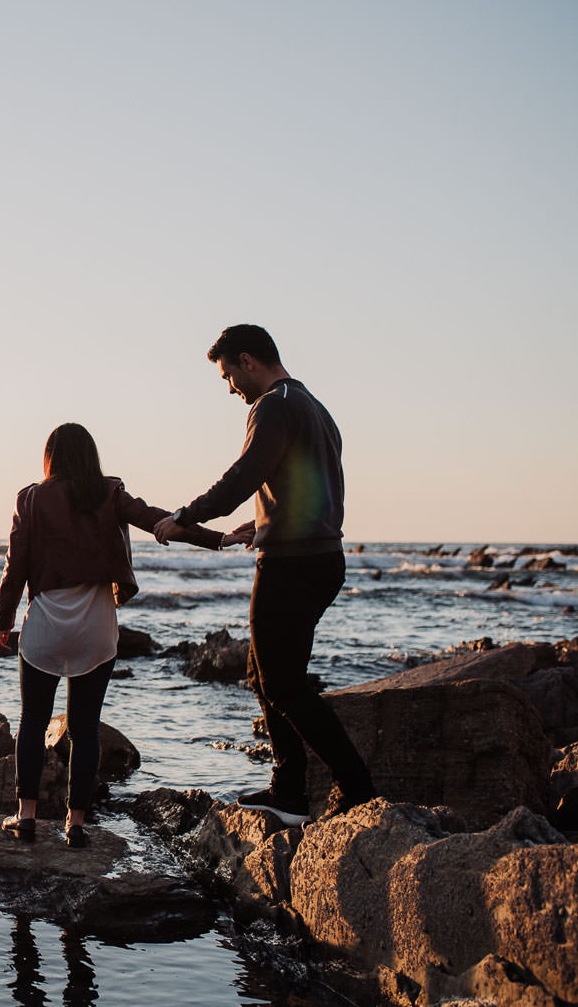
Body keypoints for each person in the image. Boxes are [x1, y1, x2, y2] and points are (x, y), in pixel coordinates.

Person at [154, 324, 377, 826]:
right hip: (318, 557)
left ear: (248, 360)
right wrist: (264, 522)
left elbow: (243, 475)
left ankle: (353, 785)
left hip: (292, 565)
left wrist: (185, 516)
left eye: (229, 375)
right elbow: (308, 482)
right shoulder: (313, 406)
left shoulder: (272, 405)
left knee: (281, 682)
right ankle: (289, 788)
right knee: (266, 675)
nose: (230, 388)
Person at [0, 423, 230, 847]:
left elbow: (15, 564)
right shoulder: (109, 492)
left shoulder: (30, 498)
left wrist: (3, 619)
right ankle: (77, 825)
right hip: (96, 623)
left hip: (47, 622)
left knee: (32, 721)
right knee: (86, 729)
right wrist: (220, 538)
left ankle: (25, 817)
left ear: (50, 457)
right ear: (91, 457)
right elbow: (159, 520)